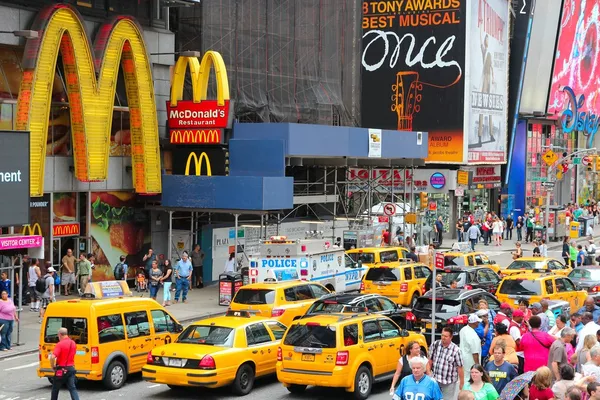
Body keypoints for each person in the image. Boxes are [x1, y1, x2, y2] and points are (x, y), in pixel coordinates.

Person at [428, 326, 465, 399]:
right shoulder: (435, 345)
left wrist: (462, 383)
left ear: (451, 337)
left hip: (449, 383)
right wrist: (428, 374)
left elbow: (460, 367)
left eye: (446, 336)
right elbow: (430, 360)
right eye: (442, 335)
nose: (443, 337)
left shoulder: (456, 350)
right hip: (435, 380)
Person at [49, 327, 80, 400]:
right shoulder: (73, 343)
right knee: (72, 388)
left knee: (55, 389)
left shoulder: (60, 344)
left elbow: (53, 357)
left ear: (60, 334)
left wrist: (52, 366)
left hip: (61, 369)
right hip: (71, 368)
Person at [460, 314, 483, 383]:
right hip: (470, 362)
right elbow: (475, 353)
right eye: (477, 322)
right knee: (470, 379)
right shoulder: (473, 336)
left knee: (464, 378)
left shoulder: (463, 330)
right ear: (474, 323)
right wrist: (477, 366)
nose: (478, 323)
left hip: (463, 359)